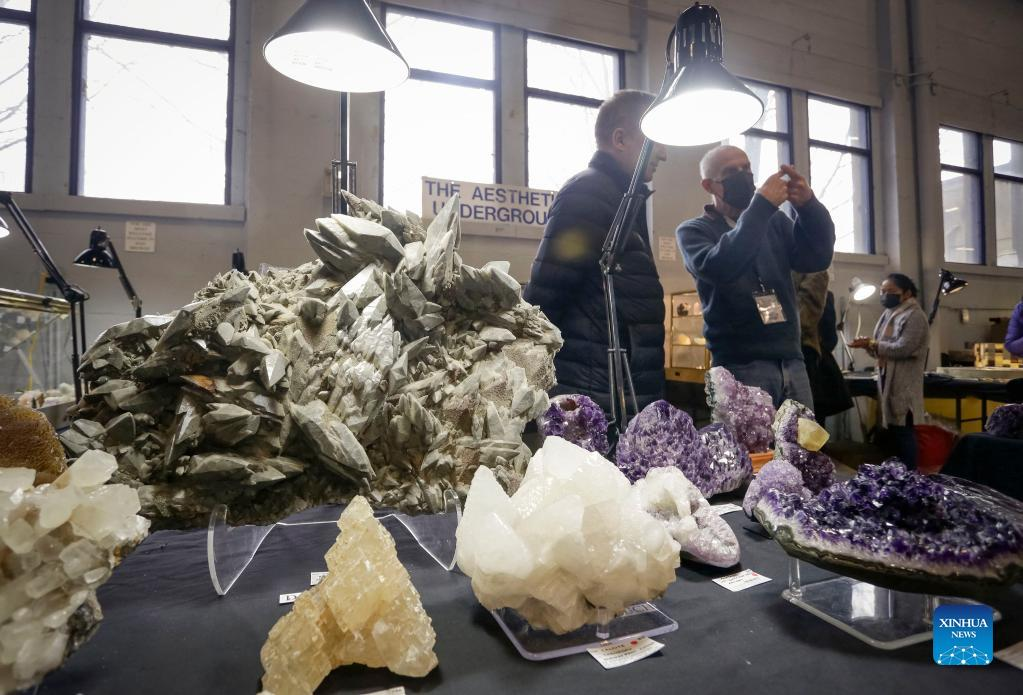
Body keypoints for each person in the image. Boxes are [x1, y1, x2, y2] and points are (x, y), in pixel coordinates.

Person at [523, 90, 668, 415]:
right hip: (597, 397)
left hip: (621, 390)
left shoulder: (621, 196)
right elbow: (547, 297)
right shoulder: (588, 194)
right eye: (656, 140)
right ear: (620, 139)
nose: (664, 153)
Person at [676, 145, 835, 410]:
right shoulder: (693, 231)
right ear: (709, 185)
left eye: (746, 168)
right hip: (738, 366)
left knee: (802, 437)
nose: (743, 175)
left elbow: (815, 258)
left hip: (791, 361)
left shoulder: (775, 222)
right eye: (731, 171)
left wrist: (809, 207)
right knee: (748, 439)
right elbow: (722, 266)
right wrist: (761, 206)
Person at [850, 273, 929, 469]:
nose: (885, 295)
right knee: (892, 432)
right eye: (882, 291)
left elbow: (904, 348)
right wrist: (868, 345)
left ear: (907, 293)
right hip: (887, 381)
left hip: (904, 383)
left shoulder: (915, 316)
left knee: (903, 431)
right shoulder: (889, 314)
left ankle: (909, 476)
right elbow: (880, 348)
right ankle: (895, 475)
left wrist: (873, 344)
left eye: (891, 291)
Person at [793, 270, 852, 420]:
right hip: (800, 355)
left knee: (806, 422)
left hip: (805, 357)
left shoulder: (813, 273)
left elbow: (828, 337)